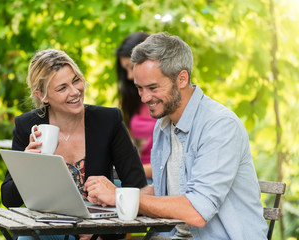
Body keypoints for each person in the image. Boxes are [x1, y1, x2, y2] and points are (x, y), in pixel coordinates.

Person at [84, 32, 268, 239]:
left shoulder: (219, 126)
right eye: (139, 88)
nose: (144, 98)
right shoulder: (164, 124)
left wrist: (120, 195)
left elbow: (197, 211)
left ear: (181, 78)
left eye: (153, 87)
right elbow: (164, 191)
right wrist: (105, 197)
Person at [1, 49, 147, 240]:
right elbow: (8, 199)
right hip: (46, 232)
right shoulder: (28, 126)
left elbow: (138, 186)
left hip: (97, 234)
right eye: (62, 88)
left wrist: (101, 231)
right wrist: (28, 166)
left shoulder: (108, 121)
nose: (75, 91)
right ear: (42, 95)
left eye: (76, 80)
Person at [116, 32, 156, 180]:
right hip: (136, 176)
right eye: (125, 69)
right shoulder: (136, 100)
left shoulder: (166, 100)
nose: (129, 76)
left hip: (156, 177)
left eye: (130, 67)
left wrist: (131, 170)